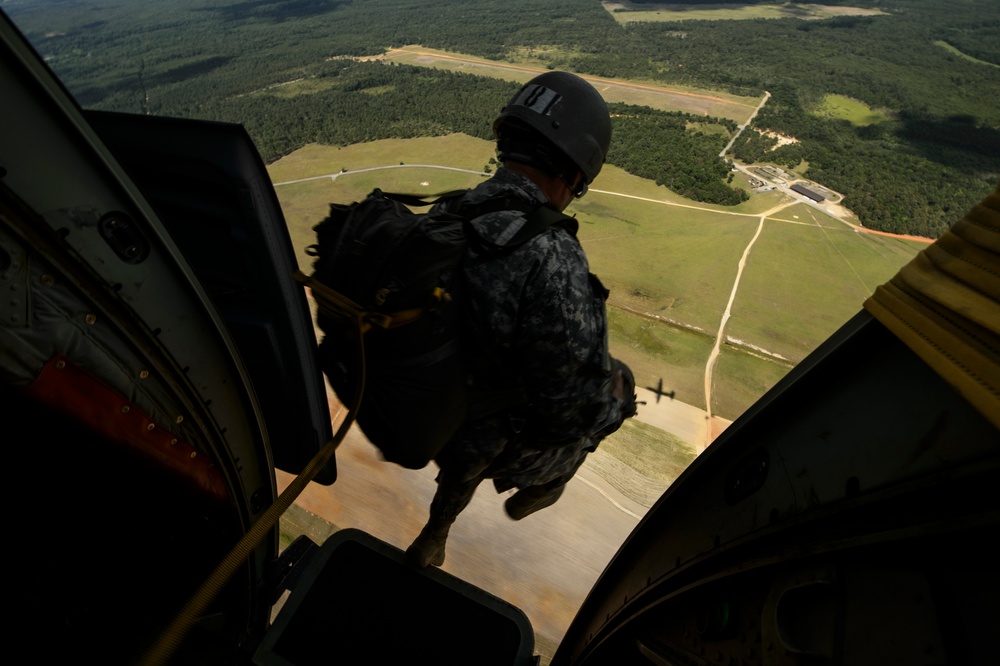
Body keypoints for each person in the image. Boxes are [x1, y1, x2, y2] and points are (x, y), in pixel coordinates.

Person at [406, 71, 638, 568]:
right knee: (616, 389)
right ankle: (547, 484)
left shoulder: (446, 213)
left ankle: (436, 531)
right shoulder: (553, 259)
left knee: (490, 397)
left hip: (421, 403)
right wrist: (611, 406)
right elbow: (567, 412)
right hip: (481, 437)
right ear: (577, 172)